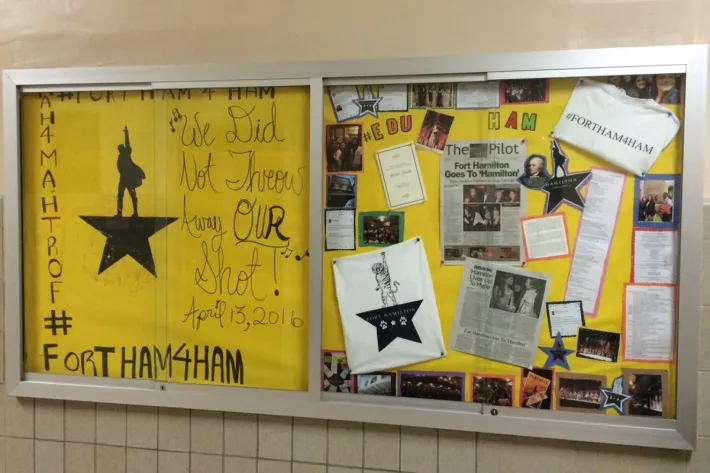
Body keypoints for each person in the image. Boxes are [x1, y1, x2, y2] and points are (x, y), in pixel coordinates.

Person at [116, 127, 145, 217]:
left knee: (132, 195)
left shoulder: (126, 153)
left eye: (121, 148)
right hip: (123, 179)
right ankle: (119, 213)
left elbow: (127, 143)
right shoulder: (120, 157)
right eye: (119, 149)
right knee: (120, 196)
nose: (120, 150)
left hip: (128, 180)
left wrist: (126, 133)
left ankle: (135, 212)